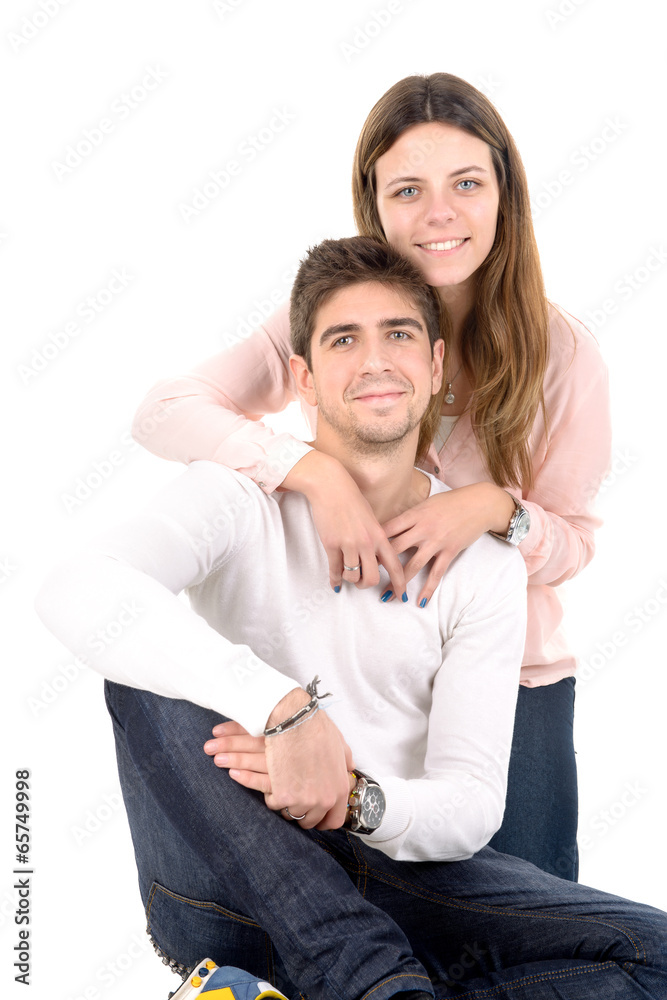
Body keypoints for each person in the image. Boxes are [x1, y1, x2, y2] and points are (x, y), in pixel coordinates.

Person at [37, 238, 665, 999]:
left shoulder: (485, 563)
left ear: (435, 365)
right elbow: (75, 587)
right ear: (302, 376)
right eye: (343, 340)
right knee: (139, 662)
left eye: (397, 334)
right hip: (229, 882)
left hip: (388, 867)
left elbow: (468, 803)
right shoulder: (233, 497)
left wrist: (355, 796)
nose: (374, 361)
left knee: (655, 951)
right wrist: (286, 711)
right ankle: (373, 981)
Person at [130, 73, 612, 882]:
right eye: (407, 190)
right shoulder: (333, 315)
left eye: (466, 184)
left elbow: (574, 544)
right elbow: (164, 412)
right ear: (374, 203)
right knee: (358, 913)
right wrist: (310, 470)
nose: (439, 214)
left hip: (509, 677)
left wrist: (493, 509)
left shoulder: (562, 355)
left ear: (505, 196)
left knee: (532, 913)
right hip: (348, 663)